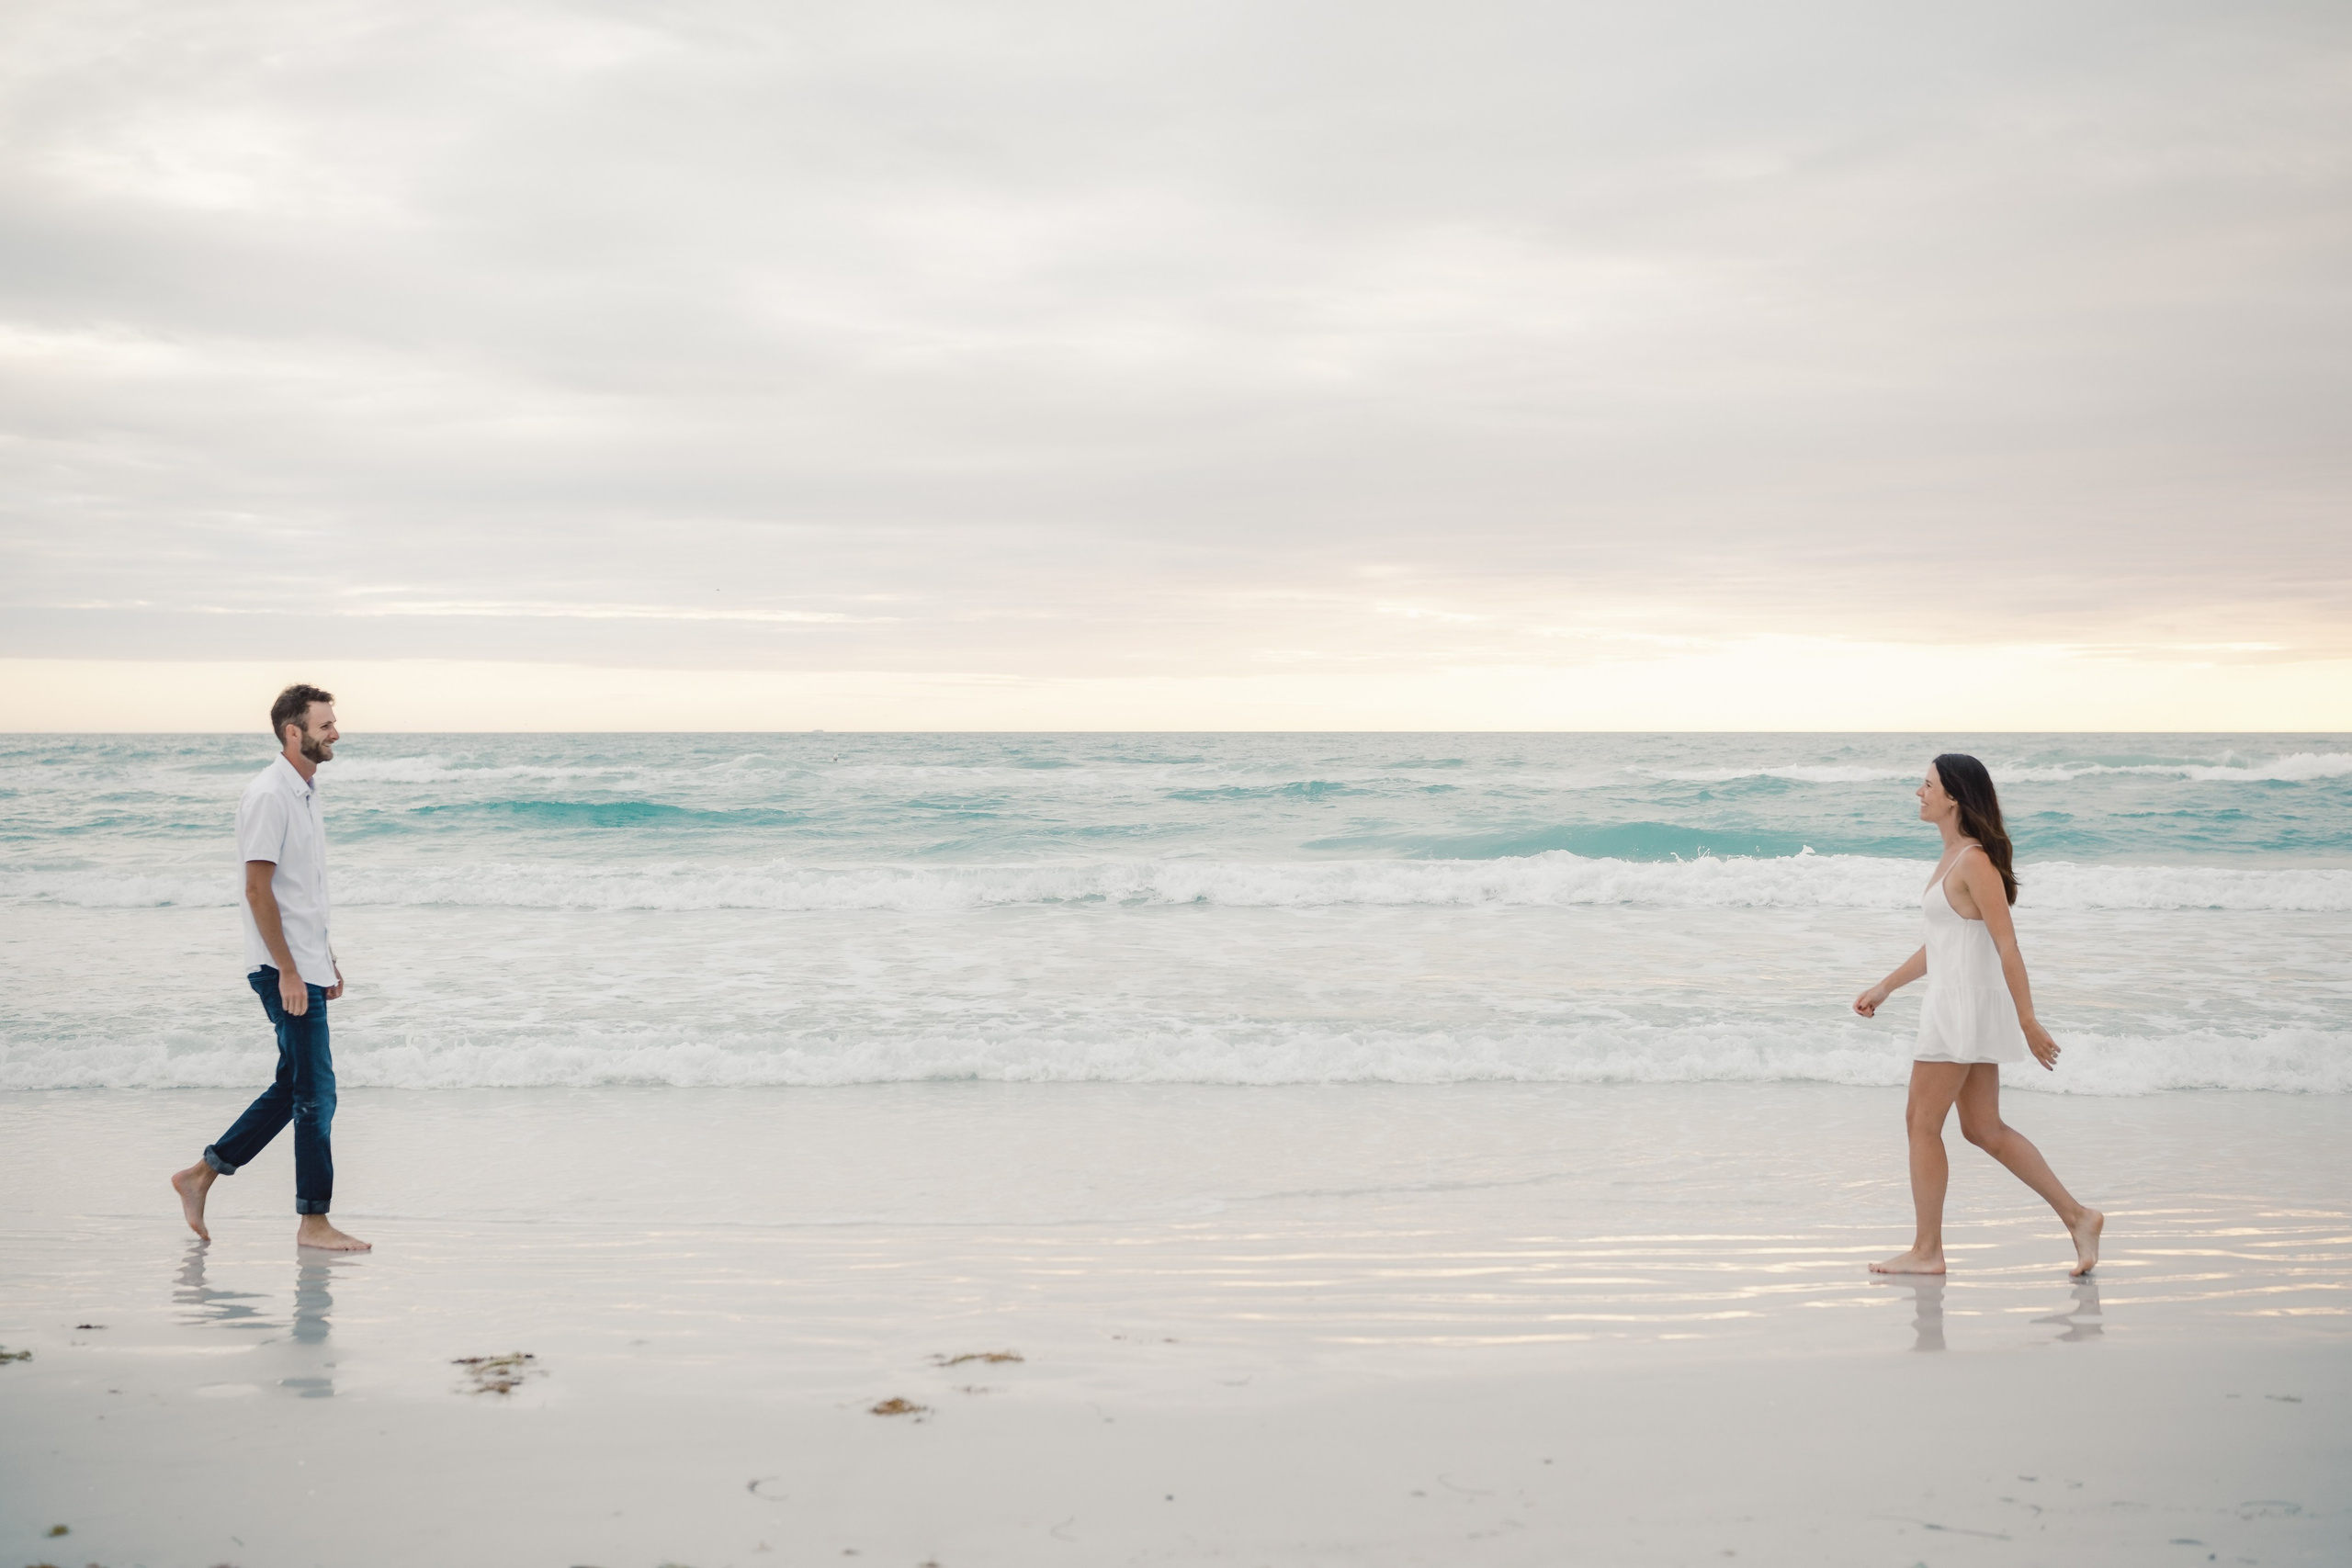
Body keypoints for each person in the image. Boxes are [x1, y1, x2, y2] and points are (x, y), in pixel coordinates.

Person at [1852, 753, 2100, 1277]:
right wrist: (1886, 986)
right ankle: (2079, 1217)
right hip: (1958, 1001)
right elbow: (1940, 945)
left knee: (1921, 1122)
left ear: (1954, 797)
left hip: (1959, 1007)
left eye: (1927, 786)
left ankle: (1927, 1251)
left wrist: (2028, 1019)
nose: (1918, 794)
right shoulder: (1951, 858)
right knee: (1983, 1128)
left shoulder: (1973, 861)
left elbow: (2007, 945)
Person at [170, 684, 371, 1251]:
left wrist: (323, 958)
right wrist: (288, 969)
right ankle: (313, 1223)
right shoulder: (268, 795)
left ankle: (201, 1175)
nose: (335, 732)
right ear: (293, 732)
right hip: (281, 968)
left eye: (333, 723)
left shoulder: (304, 793)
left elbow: (301, 891)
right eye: (325, 724)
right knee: (316, 1096)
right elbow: (258, 889)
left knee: (295, 1087)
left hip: (302, 962)